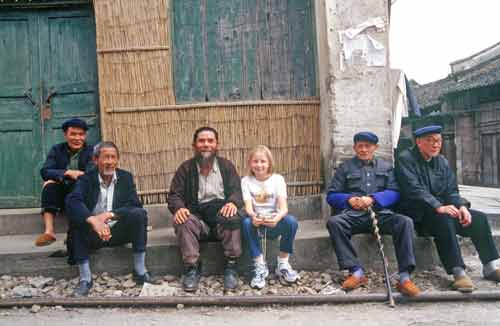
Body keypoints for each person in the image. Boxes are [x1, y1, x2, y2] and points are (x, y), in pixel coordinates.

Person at [395, 125, 500, 292]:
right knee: (443, 219)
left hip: (441, 211)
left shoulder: (442, 161)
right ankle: (458, 273)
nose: (435, 145)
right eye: (430, 141)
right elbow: (413, 189)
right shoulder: (405, 159)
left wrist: (462, 207)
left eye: (438, 140)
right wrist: (438, 206)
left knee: (478, 218)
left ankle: (489, 267)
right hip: (418, 214)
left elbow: (451, 190)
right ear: (418, 142)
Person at [326, 132, 420, 297]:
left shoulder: (386, 167)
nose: (363, 150)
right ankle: (356, 272)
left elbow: (395, 192)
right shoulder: (345, 168)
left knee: (405, 222)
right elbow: (332, 196)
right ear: (354, 148)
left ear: (375, 148)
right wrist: (349, 199)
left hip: (381, 215)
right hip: (354, 215)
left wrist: (374, 199)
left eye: (367, 146)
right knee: (334, 222)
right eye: (360, 146)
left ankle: (404, 277)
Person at [65, 141, 151, 297]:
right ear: (95, 160)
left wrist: (109, 215)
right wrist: (93, 220)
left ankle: (140, 270)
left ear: (117, 160)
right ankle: (85, 279)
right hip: (93, 234)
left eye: (113, 157)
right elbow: (73, 201)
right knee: (77, 221)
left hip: (117, 231)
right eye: (105, 157)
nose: (110, 162)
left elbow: (134, 204)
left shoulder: (125, 177)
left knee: (139, 214)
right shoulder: (86, 179)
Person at [168, 127, 243, 292]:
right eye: (201, 141)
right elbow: (174, 195)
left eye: (210, 141)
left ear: (217, 145)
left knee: (232, 216)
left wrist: (232, 202)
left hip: (220, 220)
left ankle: (231, 265)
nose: (206, 145)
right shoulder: (185, 169)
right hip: (198, 221)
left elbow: (237, 191)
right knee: (182, 220)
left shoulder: (226, 167)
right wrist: (179, 208)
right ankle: (192, 267)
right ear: (194, 145)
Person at [240, 145, 300, 289]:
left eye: (263, 161)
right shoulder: (245, 181)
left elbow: (284, 208)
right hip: (257, 222)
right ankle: (260, 265)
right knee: (246, 223)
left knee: (291, 222)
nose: (259, 165)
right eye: (255, 161)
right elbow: (248, 207)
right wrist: (254, 217)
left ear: (269, 163)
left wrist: (276, 219)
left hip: (274, 221)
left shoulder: (278, 179)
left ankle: (283, 264)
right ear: (250, 163)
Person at [36, 118, 94, 246]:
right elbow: (45, 171)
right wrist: (67, 173)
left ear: (85, 135)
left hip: (82, 193)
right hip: (62, 192)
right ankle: (49, 232)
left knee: (79, 185)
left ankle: (73, 234)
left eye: (81, 134)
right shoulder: (57, 150)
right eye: (73, 134)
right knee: (49, 185)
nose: (77, 138)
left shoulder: (92, 151)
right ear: (65, 135)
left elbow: (92, 173)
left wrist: (76, 175)